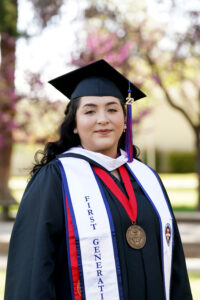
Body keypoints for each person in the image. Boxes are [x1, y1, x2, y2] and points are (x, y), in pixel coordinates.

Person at [4, 59, 192, 300]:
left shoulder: (147, 178)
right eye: (90, 111)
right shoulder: (56, 179)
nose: (102, 119)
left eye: (112, 109)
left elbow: (173, 262)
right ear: (74, 124)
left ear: (125, 121)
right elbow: (33, 270)